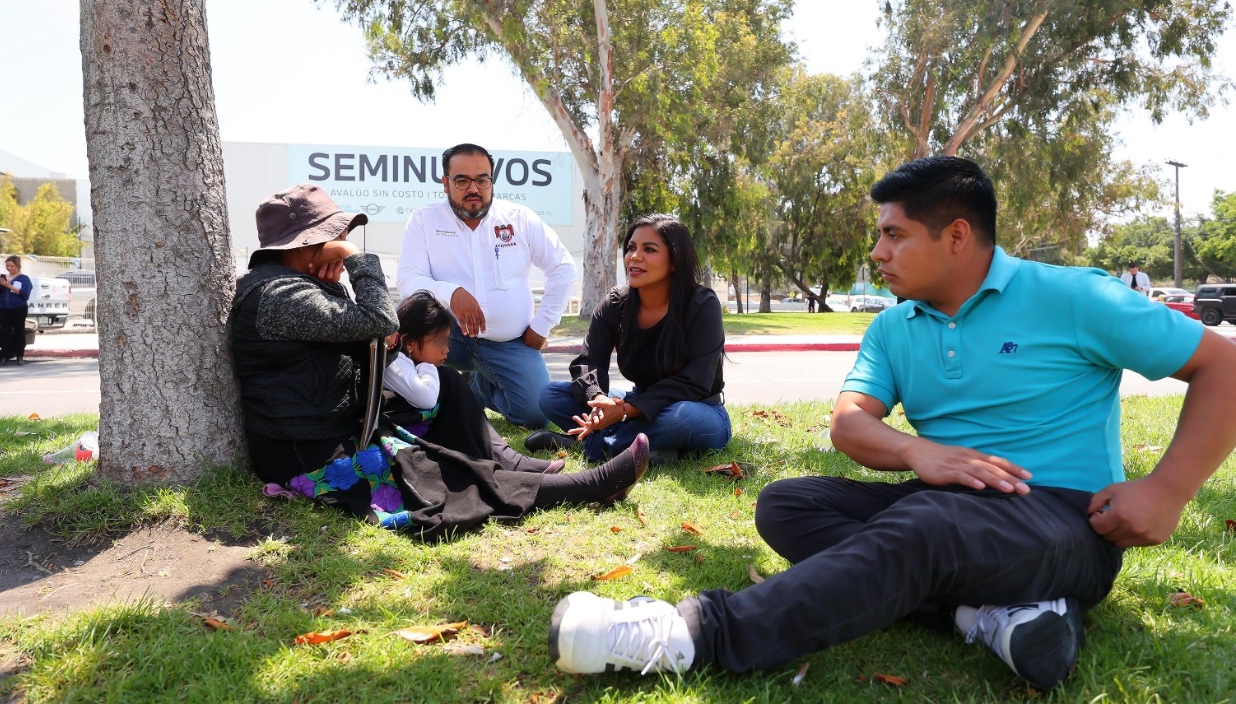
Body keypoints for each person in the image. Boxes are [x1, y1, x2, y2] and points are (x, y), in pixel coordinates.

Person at [547, 156, 1236, 690]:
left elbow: (1223, 366)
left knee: (927, 528)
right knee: (788, 504)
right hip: (942, 502)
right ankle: (988, 614)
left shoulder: (1075, 296)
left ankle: (691, 633)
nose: (877, 253)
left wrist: (1168, 489)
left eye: (893, 235)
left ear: (957, 236)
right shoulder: (894, 328)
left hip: (1059, 519)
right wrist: (920, 453)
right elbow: (849, 423)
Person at [232, 184, 647, 542]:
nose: (342, 241)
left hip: (344, 421)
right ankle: (587, 487)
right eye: (335, 236)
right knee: (433, 474)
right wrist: (357, 258)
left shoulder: (298, 285)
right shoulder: (280, 295)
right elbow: (379, 320)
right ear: (306, 246)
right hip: (307, 450)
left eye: (342, 236)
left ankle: (511, 461)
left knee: (446, 385)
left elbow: (371, 332)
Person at [397, 142, 576, 428]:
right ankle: (421, 395)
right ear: (445, 183)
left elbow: (563, 267)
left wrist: (542, 325)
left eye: (482, 180)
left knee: (534, 415)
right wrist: (452, 293)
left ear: (492, 181)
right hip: (448, 336)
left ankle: (475, 388)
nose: (474, 189)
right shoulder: (424, 220)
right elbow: (408, 279)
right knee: (401, 326)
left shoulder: (519, 219)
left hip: (508, 342)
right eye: (462, 180)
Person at [533, 214, 731, 464]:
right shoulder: (616, 304)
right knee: (551, 395)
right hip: (637, 402)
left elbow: (694, 382)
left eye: (649, 249)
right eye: (631, 248)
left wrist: (625, 410)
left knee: (682, 418)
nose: (634, 257)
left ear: (674, 261)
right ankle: (648, 449)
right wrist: (598, 399)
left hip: (698, 407)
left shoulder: (702, 305)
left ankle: (598, 445)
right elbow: (588, 362)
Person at [385, 289, 563, 474]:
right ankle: (508, 461)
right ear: (409, 343)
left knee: (452, 384)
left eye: (446, 342)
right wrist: (428, 366)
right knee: (450, 379)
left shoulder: (410, 360)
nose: (445, 350)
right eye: (439, 342)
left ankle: (506, 457)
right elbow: (425, 398)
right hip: (399, 437)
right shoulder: (396, 362)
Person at [0, 255, 33, 366]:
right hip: (4, 308)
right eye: (7, 266)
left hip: (18, 308)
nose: (9, 268)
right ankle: (5, 356)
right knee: (5, 332)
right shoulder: (3, 277)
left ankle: (20, 356)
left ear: (18, 266)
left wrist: (9, 286)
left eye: (12, 266)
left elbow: (25, 293)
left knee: (19, 332)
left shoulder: (23, 278)